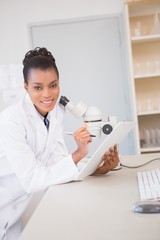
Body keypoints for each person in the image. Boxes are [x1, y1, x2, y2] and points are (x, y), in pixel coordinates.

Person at [0, 47, 119, 240]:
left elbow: (58, 161)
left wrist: (98, 167)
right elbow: (32, 180)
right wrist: (79, 154)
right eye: (38, 87)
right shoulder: (11, 121)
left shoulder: (56, 112)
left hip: (15, 212)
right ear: (26, 87)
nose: (48, 95)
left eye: (53, 85)